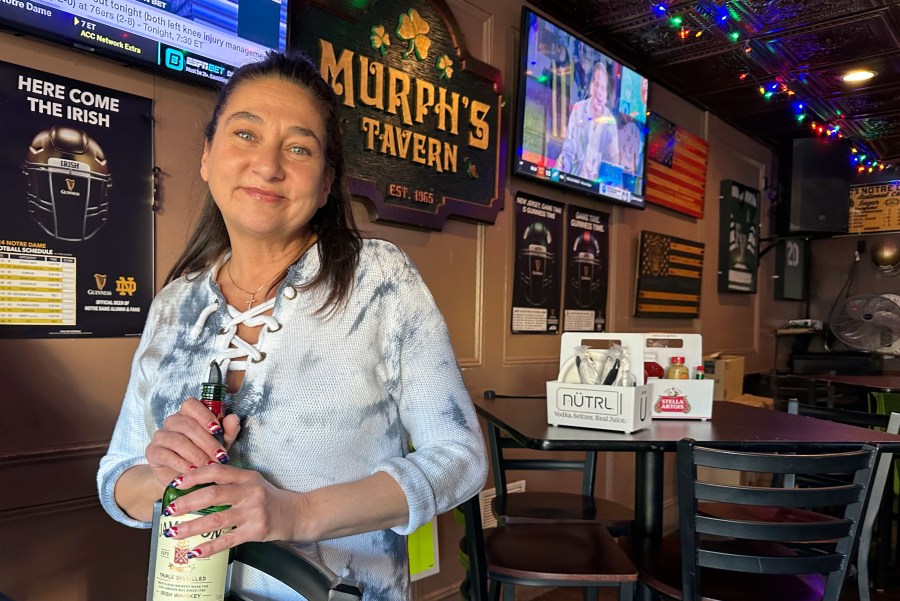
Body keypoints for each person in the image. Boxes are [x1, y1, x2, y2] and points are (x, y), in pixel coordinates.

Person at [97, 51, 487, 601]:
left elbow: (462, 458)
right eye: (245, 135)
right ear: (207, 156)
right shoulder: (173, 304)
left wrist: (296, 512)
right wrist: (165, 477)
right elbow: (118, 476)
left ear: (326, 183)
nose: (268, 165)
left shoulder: (380, 279)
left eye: (299, 147)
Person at [556, 60, 620, 180]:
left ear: (607, 94)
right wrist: (563, 170)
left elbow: (614, 162)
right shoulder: (578, 109)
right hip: (573, 181)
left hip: (597, 190)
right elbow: (569, 148)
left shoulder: (610, 122)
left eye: (603, 88)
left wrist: (613, 158)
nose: (599, 92)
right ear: (591, 85)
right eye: (596, 85)